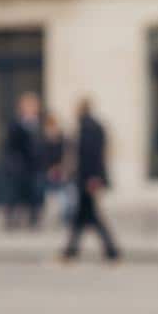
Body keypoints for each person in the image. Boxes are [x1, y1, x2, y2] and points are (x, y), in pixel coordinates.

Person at [61, 99, 120, 262]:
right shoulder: (93, 126)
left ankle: (110, 250)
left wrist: (92, 178)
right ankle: (72, 250)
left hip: (87, 179)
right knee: (83, 216)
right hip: (89, 178)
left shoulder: (87, 128)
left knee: (89, 216)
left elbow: (91, 157)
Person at [3, 91, 45, 230]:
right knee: (14, 193)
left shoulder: (40, 123)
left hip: (35, 166)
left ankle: (33, 219)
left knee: (35, 193)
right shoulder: (16, 123)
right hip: (20, 165)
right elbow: (10, 144)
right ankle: (11, 218)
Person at [41, 110, 71, 225]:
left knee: (63, 196)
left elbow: (66, 153)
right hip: (48, 170)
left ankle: (63, 217)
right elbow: (43, 155)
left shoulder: (62, 137)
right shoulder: (44, 137)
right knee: (50, 196)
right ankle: (53, 218)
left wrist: (62, 167)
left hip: (60, 169)